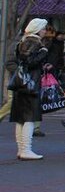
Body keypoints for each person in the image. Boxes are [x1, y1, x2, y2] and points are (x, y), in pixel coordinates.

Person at [5, 18, 51, 160]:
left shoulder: (22, 41)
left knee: (20, 119)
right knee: (30, 118)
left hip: (21, 84)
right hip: (30, 85)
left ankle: (21, 148)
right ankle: (26, 149)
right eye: (43, 28)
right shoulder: (35, 43)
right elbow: (29, 61)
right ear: (37, 29)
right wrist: (43, 53)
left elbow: (20, 62)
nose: (45, 31)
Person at [35, 25, 65, 138]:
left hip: (43, 71)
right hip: (39, 73)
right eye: (43, 29)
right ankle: (33, 127)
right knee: (36, 101)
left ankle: (35, 127)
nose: (45, 32)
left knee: (38, 101)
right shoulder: (39, 43)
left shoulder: (50, 43)